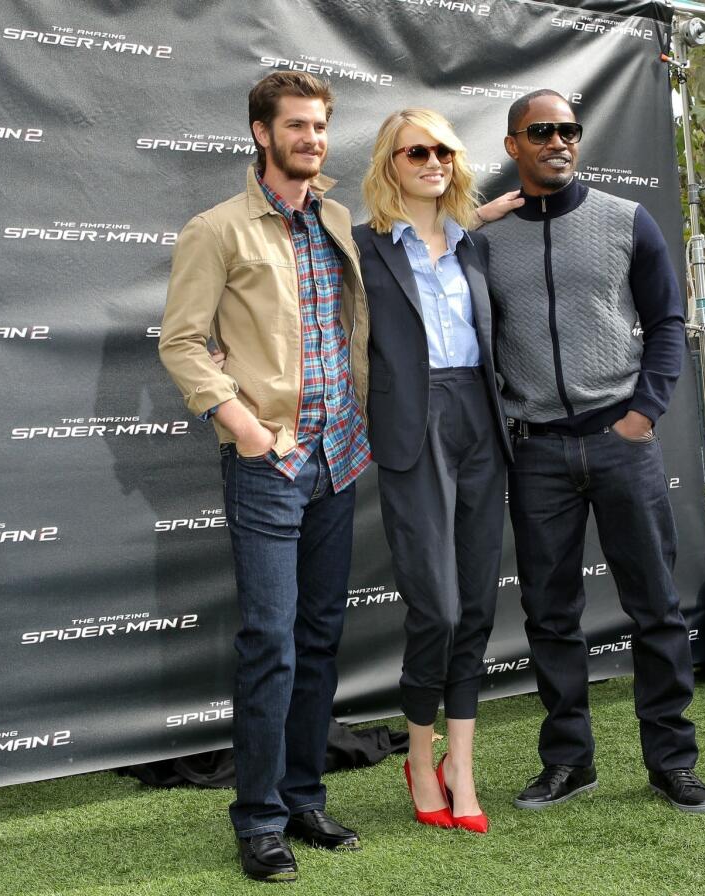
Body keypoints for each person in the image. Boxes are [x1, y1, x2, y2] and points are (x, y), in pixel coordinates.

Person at [478, 89, 705, 813]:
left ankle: (672, 761)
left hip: (621, 442)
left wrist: (644, 414)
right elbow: (413, 255)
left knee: (655, 609)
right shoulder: (486, 237)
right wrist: (472, 217)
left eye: (569, 130)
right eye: (541, 131)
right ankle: (568, 762)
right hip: (538, 450)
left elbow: (668, 322)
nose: (559, 141)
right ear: (515, 143)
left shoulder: (626, 220)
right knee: (550, 617)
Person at [159, 71, 369, 882]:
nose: (312, 138)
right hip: (270, 461)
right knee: (270, 645)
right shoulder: (217, 229)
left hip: (339, 454)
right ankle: (259, 820)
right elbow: (181, 342)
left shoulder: (338, 219)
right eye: (296, 126)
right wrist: (243, 427)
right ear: (260, 132)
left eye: (319, 126)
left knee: (319, 640)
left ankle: (304, 795)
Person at [353, 110, 514, 834]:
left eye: (444, 150)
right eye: (416, 151)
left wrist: (479, 215)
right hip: (412, 428)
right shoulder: (358, 247)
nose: (433, 160)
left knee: (477, 606)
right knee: (438, 609)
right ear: (390, 163)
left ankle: (462, 765)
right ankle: (419, 758)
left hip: (481, 421)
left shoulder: (472, 246)